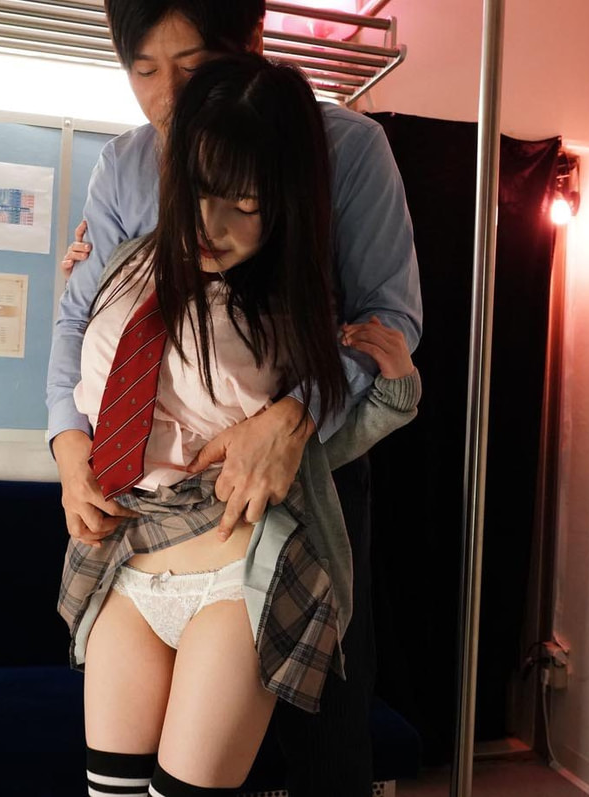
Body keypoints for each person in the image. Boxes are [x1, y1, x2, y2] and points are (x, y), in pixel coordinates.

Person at [46, 3, 423, 795]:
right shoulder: (124, 170)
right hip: (140, 531)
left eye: (191, 67)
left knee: (326, 741)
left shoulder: (343, 151)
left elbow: (386, 325)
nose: (167, 96)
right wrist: (68, 442)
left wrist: (292, 419)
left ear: (249, 44)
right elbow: (77, 318)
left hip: (280, 496)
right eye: (143, 70)